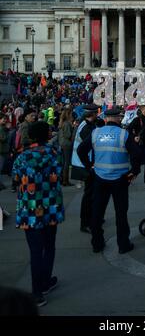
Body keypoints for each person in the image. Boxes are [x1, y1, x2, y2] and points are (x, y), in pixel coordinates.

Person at [12, 121, 64, 307]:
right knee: (49, 246)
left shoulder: (22, 157)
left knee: (35, 250)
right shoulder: (54, 153)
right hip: (50, 207)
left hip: (30, 209)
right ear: (47, 134)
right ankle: (45, 281)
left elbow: (16, 179)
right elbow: (60, 173)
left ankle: (37, 292)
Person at [78, 106, 141, 254]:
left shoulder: (95, 133)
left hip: (100, 177)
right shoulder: (124, 134)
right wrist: (134, 172)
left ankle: (97, 243)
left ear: (106, 119)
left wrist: (90, 167)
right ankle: (123, 245)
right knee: (121, 213)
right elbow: (136, 154)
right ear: (119, 118)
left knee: (97, 212)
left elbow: (81, 150)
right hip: (120, 179)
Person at [71, 104, 102, 233]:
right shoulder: (86, 128)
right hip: (85, 165)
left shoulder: (87, 125)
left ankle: (92, 217)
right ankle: (85, 222)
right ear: (93, 114)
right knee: (89, 195)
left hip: (85, 163)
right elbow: (92, 145)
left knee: (92, 194)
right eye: (97, 113)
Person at [128, 105, 145, 185]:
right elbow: (128, 129)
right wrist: (134, 137)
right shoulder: (137, 120)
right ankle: (128, 178)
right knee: (136, 167)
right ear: (142, 110)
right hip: (139, 146)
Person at [58, 107, 74, 186]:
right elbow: (68, 135)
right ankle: (65, 180)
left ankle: (62, 179)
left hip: (62, 143)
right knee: (66, 163)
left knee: (63, 162)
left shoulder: (62, 123)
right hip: (67, 144)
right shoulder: (67, 124)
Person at [0, 113, 10, 190]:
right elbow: (3, 139)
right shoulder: (1, 128)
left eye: (5, 119)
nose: (5, 120)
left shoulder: (3, 128)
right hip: (1, 150)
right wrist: (7, 130)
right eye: (3, 119)